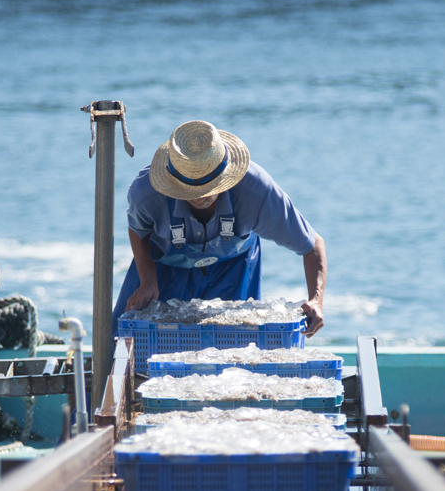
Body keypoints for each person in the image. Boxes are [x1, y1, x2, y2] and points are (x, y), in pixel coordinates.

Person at [112, 120, 326, 336]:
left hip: (233, 267)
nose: (201, 196)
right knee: (122, 340)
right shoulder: (146, 193)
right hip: (164, 268)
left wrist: (316, 300)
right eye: (190, 189)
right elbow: (138, 230)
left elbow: (312, 244)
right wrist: (148, 281)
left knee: (233, 347)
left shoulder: (257, 191)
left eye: (208, 186)